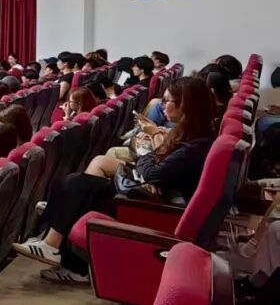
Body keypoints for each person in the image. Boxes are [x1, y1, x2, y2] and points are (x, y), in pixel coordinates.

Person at [14, 77, 215, 283]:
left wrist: (149, 153)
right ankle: (58, 232)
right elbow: (155, 162)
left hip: (153, 206)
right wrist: (151, 156)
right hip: (154, 194)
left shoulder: (194, 146)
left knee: (76, 186)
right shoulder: (191, 135)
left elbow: (152, 171)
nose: (162, 105)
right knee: (77, 183)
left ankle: (58, 244)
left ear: (184, 105)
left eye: (166, 101)